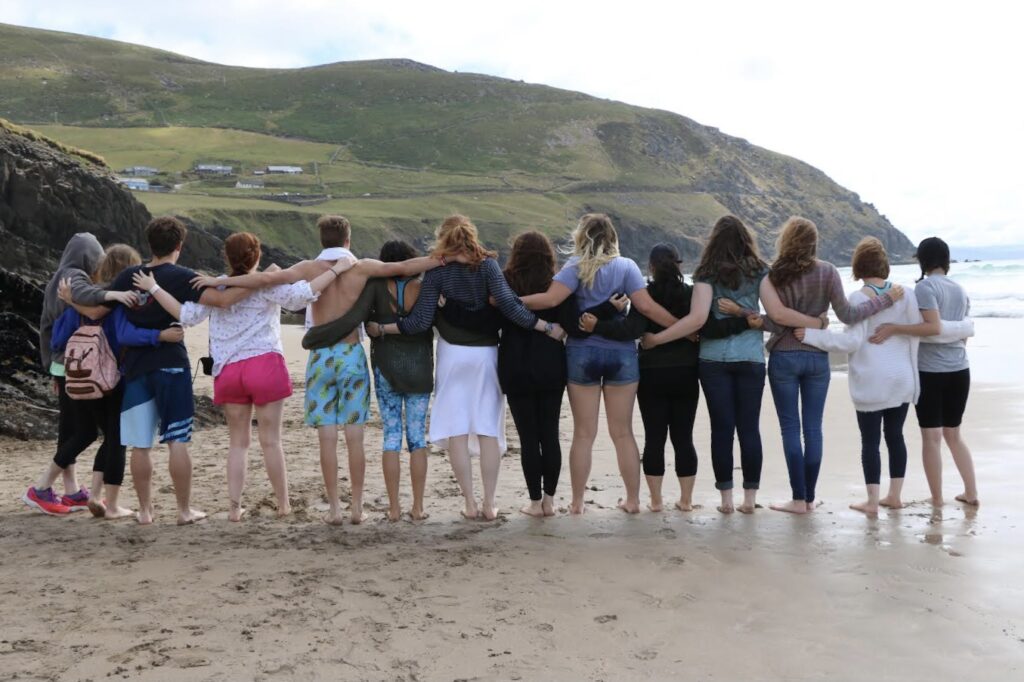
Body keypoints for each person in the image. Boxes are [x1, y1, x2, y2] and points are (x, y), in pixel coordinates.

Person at [194, 215, 445, 525]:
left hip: (321, 359)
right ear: (348, 239)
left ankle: (335, 510)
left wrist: (223, 281)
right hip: (351, 355)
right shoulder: (362, 267)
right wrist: (446, 256)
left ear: (322, 240)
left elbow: (263, 280)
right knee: (354, 436)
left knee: (327, 437)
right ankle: (356, 508)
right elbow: (405, 267)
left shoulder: (307, 268)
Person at [134, 232, 352, 521]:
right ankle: (284, 505)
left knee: (238, 443)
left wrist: (155, 289)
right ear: (257, 256)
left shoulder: (217, 288)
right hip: (264, 364)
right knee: (271, 441)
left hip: (229, 370)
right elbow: (304, 294)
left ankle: (234, 509)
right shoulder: (266, 285)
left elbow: (185, 314)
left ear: (227, 257)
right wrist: (337, 269)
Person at [373, 215, 564, 522]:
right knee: (488, 429)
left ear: (443, 240)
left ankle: (470, 503)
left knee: (457, 431)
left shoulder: (438, 272)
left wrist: (385, 329)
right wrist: (543, 326)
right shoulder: (487, 267)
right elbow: (511, 307)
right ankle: (490, 504)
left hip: (452, 356)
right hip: (486, 355)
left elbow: (420, 322)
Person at [797, 237, 974, 514]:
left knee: (870, 441)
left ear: (857, 267)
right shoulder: (907, 294)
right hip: (903, 378)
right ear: (885, 265)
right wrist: (966, 328)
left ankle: (871, 501)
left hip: (872, 380)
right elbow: (924, 330)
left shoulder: (858, 298)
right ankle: (895, 496)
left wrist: (810, 335)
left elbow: (850, 343)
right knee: (895, 437)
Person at [516, 214, 678, 514]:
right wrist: (680, 326)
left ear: (582, 237)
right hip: (621, 356)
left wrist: (511, 300)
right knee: (623, 433)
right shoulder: (627, 266)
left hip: (582, 354)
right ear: (612, 237)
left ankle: (577, 503)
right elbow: (645, 307)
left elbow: (550, 300)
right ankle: (632, 501)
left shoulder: (575, 266)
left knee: (583, 434)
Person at [581, 242, 754, 513]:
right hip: (686, 373)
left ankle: (657, 501)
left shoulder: (644, 296)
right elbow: (707, 327)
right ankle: (685, 501)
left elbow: (631, 329)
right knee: (683, 438)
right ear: (678, 264)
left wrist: (597, 326)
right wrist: (743, 320)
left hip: (651, 375)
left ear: (650, 267)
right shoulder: (690, 294)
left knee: (655, 437)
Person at [105, 217, 253, 525]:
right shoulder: (183, 277)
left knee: (140, 443)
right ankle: (183, 510)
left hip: (135, 366)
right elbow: (223, 300)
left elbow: (96, 307)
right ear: (179, 246)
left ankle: (145, 512)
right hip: (171, 362)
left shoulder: (129, 275)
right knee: (177, 440)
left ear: (150, 244)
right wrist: (261, 280)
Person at [753, 217, 901, 514]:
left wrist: (755, 320)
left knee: (791, 429)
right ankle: (809, 499)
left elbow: (776, 318)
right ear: (813, 242)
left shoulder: (772, 277)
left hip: (783, 356)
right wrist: (883, 301)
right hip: (816, 356)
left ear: (785, 240)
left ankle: (798, 499)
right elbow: (848, 314)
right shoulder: (828, 271)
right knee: (813, 429)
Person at [22, 243, 178, 518]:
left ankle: (71, 491)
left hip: (83, 378)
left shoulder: (85, 300)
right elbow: (130, 336)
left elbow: (58, 338)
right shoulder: (126, 303)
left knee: (85, 433)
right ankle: (105, 501)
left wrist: (65, 365)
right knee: (115, 438)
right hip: (115, 380)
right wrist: (159, 337)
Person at [638, 217, 772, 514]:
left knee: (722, 429)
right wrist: (747, 314)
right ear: (745, 239)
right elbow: (773, 315)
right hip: (750, 358)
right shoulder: (760, 270)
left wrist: (658, 339)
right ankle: (749, 500)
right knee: (749, 428)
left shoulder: (705, 273)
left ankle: (726, 500)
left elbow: (697, 321)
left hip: (713, 361)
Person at [303, 239, 435, 522]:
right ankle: (418, 507)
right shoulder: (425, 287)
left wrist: (317, 336)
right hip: (420, 370)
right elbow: (427, 322)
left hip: (386, 369)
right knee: (416, 438)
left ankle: (394, 509)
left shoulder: (375, 286)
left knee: (391, 437)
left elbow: (357, 318)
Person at [868, 237, 978, 507]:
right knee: (954, 434)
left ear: (922, 260)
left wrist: (895, 328)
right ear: (946, 259)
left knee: (932, 437)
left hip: (931, 371)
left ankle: (938, 499)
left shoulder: (925, 288)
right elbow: (961, 334)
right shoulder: (960, 289)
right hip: (960, 369)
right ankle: (971, 493)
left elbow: (932, 327)